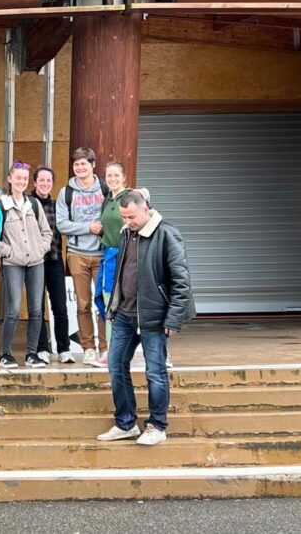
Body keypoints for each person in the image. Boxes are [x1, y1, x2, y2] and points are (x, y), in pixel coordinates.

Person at [97, 190, 195, 446]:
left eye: (130, 216)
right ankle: (125, 423)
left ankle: (157, 425)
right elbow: (121, 275)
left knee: (155, 372)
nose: (127, 221)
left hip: (154, 318)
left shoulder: (167, 233)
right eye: (123, 217)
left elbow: (181, 282)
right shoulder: (126, 233)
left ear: (145, 209)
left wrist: (173, 319)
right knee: (116, 366)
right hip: (124, 315)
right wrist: (112, 308)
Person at [0, 162, 53, 369]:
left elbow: (47, 232)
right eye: (17, 177)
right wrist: (8, 251)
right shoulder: (0, 205)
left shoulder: (34, 205)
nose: (21, 181)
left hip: (36, 262)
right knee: (14, 309)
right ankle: (6, 354)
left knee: (37, 309)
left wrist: (41, 249)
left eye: (24, 179)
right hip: (13, 263)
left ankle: (32, 353)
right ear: (10, 179)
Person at [55, 147, 109, 366]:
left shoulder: (105, 188)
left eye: (84, 164)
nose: (79, 168)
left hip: (103, 254)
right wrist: (90, 227)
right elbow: (61, 224)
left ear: (93, 165)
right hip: (77, 254)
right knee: (83, 303)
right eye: (76, 164)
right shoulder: (66, 192)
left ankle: (106, 349)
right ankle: (87, 348)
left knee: (105, 303)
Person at [32, 166, 73, 363]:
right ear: (34, 182)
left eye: (49, 180)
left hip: (55, 260)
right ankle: (41, 348)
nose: (45, 184)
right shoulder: (28, 203)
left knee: (60, 307)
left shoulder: (58, 205)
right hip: (34, 262)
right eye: (41, 180)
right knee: (36, 307)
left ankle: (64, 348)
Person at [92, 161, 130, 367]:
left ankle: (159, 351)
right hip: (108, 256)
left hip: (127, 256)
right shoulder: (107, 200)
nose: (113, 179)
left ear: (124, 177)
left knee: (129, 303)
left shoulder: (132, 197)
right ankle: (110, 351)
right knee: (107, 303)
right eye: (109, 176)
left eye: (116, 175)